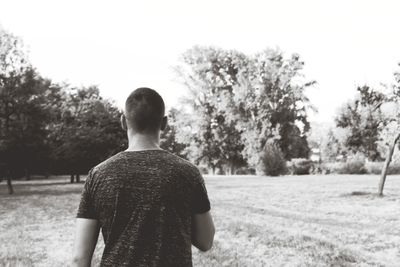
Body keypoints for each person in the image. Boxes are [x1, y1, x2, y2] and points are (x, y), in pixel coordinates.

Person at [72, 87, 215, 267]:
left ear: (123, 122)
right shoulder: (188, 173)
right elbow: (205, 241)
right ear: (164, 123)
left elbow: (79, 259)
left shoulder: (98, 175)